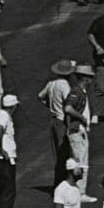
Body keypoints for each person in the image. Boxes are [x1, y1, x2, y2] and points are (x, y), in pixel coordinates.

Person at [38, 58, 75, 187]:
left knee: (57, 154)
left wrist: (49, 105)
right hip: (61, 121)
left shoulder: (51, 84)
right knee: (64, 154)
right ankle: (61, 183)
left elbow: (40, 96)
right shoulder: (64, 85)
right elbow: (68, 103)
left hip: (53, 121)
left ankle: (58, 183)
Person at [64, 64, 94, 190]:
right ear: (85, 78)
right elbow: (68, 108)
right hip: (76, 130)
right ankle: (79, 191)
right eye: (90, 77)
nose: (91, 80)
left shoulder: (82, 91)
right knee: (80, 162)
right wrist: (81, 117)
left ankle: (81, 191)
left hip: (80, 130)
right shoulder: (76, 91)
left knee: (82, 161)